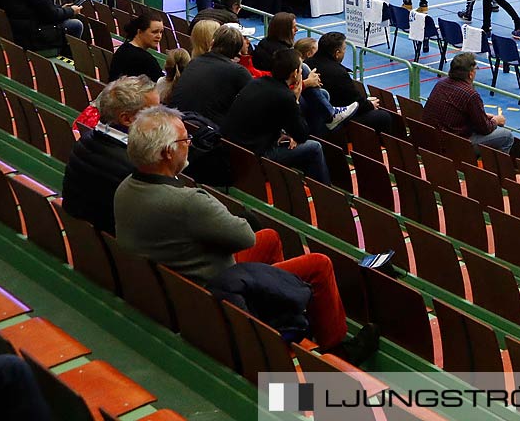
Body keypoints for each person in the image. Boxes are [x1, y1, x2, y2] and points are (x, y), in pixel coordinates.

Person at [114, 106, 377, 362]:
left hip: (181, 280)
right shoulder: (187, 202)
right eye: (185, 139)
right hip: (216, 288)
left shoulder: (125, 188)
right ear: (167, 153)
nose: (190, 144)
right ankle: (336, 348)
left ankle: (278, 312)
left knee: (270, 237)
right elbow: (244, 236)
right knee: (319, 264)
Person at [61, 76, 159, 234]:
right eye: (154, 112)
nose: (161, 117)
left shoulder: (84, 142)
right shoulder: (137, 166)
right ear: (127, 119)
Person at [219, 50, 332, 184]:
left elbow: (261, 117)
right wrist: (296, 100)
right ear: (295, 73)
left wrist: (280, 134)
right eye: (301, 69)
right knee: (315, 148)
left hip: (232, 150)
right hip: (255, 158)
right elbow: (302, 135)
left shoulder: (256, 83)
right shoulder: (285, 96)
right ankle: (324, 190)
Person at [424, 52, 514, 153]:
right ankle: (497, 168)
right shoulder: (470, 94)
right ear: (471, 74)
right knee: (507, 136)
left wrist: (482, 116)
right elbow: (485, 129)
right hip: (455, 144)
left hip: (432, 138)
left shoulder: (440, 84)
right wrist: (496, 120)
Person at [166, 23, 253, 123]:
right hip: (205, 130)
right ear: (238, 50)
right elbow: (256, 101)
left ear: (213, 42)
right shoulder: (238, 72)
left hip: (175, 122)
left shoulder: (194, 62)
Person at [108, 14, 166, 82]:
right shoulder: (146, 60)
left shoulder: (123, 48)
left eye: (161, 32)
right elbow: (163, 86)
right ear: (139, 32)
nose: (159, 36)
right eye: (154, 32)